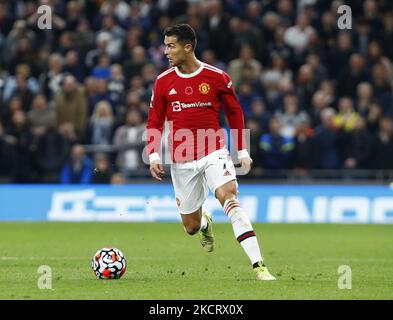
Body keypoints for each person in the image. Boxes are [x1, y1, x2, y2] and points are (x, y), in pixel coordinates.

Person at [146, 24, 275, 281]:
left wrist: (242, 150)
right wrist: (153, 155)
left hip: (213, 150)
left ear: (188, 47)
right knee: (191, 228)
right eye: (166, 45)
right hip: (181, 159)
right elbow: (154, 121)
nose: (166, 51)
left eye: (171, 45)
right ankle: (205, 222)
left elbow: (235, 113)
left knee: (229, 197)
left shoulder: (217, 77)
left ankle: (259, 266)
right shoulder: (163, 82)